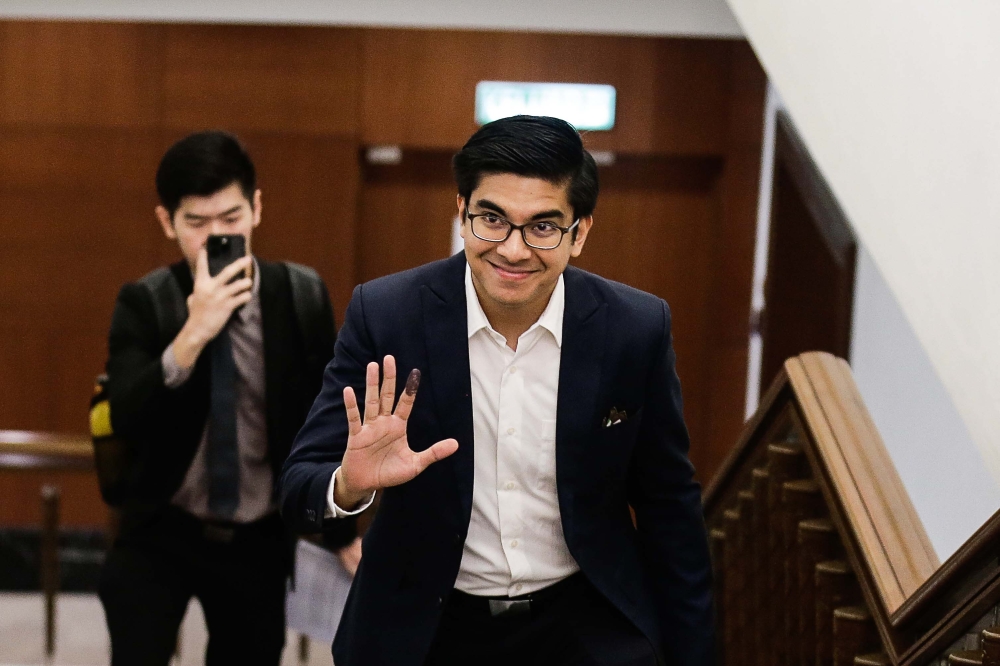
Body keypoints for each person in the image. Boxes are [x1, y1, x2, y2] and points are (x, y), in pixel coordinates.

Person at [279, 115, 714, 666]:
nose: (512, 250)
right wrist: (349, 486)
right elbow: (299, 487)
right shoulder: (388, 315)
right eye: (492, 219)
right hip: (428, 628)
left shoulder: (634, 327)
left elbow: (669, 504)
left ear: (579, 233)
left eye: (542, 227)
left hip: (582, 624)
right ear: (462, 213)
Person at [98, 131, 357, 665]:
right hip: (160, 527)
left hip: (258, 534)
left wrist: (340, 532)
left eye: (231, 218)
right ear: (167, 222)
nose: (217, 236)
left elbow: (326, 419)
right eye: (196, 223)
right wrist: (192, 334)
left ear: (257, 208)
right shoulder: (146, 302)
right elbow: (124, 411)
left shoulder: (300, 296)